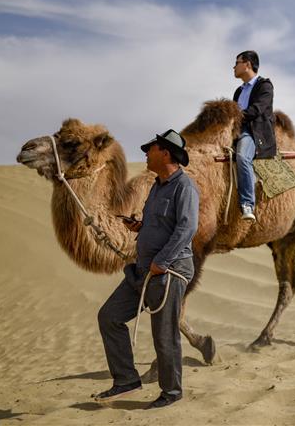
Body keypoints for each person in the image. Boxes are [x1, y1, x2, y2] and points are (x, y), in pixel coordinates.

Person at [94, 129, 199, 409]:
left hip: (168, 271)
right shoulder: (157, 186)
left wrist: (162, 261)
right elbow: (163, 224)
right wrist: (139, 226)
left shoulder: (184, 187)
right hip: (142, 271)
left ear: (165, 153)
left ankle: (172, 392)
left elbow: (187, 228)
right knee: (109, 317)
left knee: (164, 335)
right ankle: (126, 379)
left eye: (150, 148)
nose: (145, 153)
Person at [232, 50, 276, 221]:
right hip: (235, 131)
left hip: (252, 132)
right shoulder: (238, 91)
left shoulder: (264, 86)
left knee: (242, 157)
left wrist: (234, 118)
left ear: (247, 64)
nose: (234, 67)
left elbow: (258, 109)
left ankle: (247, 203)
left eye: (237, 63)